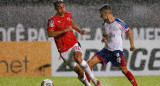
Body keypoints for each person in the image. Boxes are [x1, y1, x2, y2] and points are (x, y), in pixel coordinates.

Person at [47, 1, 101, 86]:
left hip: (73, 43)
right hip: (63, 50)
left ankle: (94, 79)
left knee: (78, 58)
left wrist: (79, 30)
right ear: (55, 9)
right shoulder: (52, 20)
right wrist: (64, 30)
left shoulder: (68, 14)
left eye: (63, 6)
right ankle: (88, 84)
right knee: (80, 72)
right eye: (60, 7)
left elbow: (71, 23)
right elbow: (50, 34)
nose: (62, 8)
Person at [86, 5, 138, 86]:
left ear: (106, 13)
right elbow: (106, 36)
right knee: (88, 64)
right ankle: (88, 84)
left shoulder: (119, 22)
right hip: (106, 51)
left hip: (117, 51)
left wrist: (132, 45)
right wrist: (105, 39)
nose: (100, 16)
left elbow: (129, 32)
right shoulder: (104, 24)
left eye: (101, 14)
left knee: (124, 70)